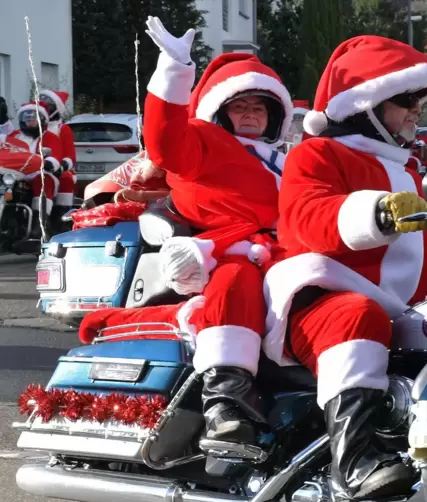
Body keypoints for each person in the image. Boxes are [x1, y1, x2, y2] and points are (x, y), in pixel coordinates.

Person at [263, 35, 427, 500]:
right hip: (316, 299)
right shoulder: (315, 154)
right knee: (355, 316)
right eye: (405, 101)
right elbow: (305, 220)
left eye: (418, 101)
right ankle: (353, 461)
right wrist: (375, 214)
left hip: (390, 306)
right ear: (367, 106)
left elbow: (422, 254)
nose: (414, 112)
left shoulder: (401, 169)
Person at [78, 16, 294, 447]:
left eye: (259, 107)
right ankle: (226, 403)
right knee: (238, 281)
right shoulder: (203, 143)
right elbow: (164, 139)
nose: (251, 114)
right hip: (226, 253)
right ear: (220, 110)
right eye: (240, 105)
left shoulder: (286, 159)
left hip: (287, 253)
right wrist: (175, 69)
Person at [4, 102, 64, 237]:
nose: (31, 122)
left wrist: (49, 162)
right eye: (27, 119)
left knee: (43, 180)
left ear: (42, 121)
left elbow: (56, 155)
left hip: (39, 172)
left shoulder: (50, 137)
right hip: (16, 173)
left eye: (34, 119)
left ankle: (40, 222)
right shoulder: (14, 136)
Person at [39, 89, 78, 220]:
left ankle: (61, 215)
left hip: (58, 168)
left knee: (66, 178)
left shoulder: (63, 129)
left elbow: (70, 156)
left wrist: (61, 167)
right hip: (36, 166)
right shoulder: (33, 127)